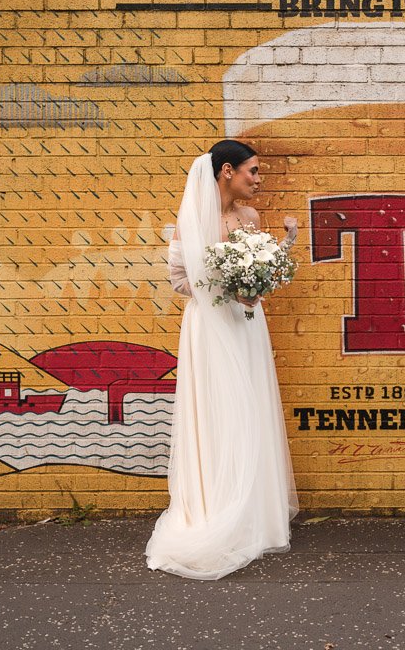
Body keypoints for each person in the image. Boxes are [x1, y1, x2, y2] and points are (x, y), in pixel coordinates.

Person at [145, 139, 299, 580]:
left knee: (250, 410)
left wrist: (267, 269)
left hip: (248, 322)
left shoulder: (249, 218)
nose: (258, 179)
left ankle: (256, 515)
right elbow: (178, 279)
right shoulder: (192, 219)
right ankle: (216, 508)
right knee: (217, 413)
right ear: (227, 171)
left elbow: (262, 272)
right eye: (253, 170)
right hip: (210, 327)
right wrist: (225, 291)